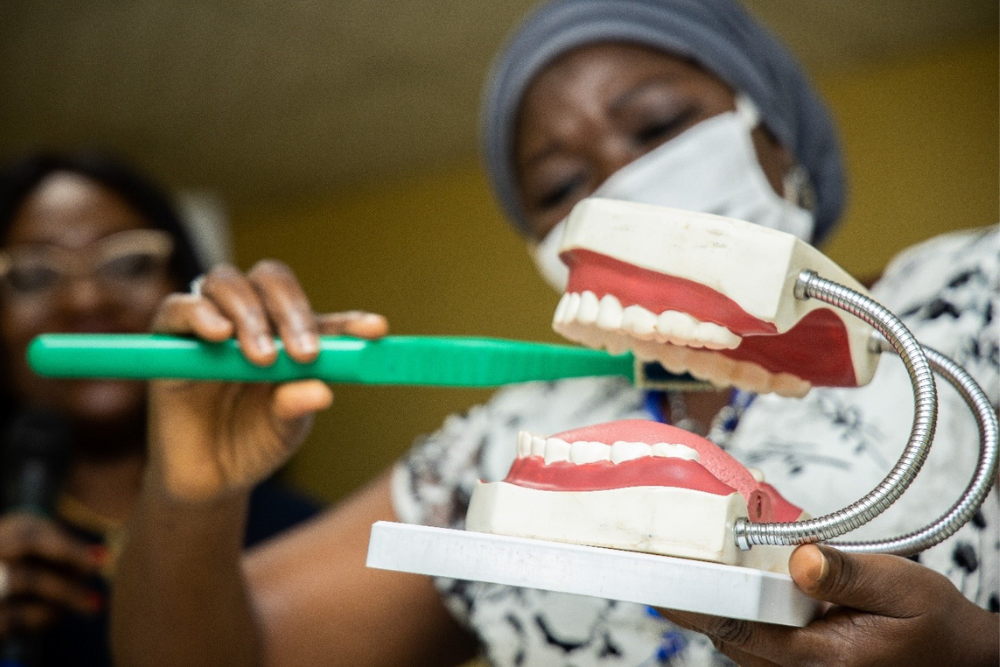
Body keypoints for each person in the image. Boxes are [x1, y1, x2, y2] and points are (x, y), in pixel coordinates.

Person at [111, 1, 999, 666]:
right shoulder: (511, 442)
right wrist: (191, 493)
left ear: (779, 137)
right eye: (561, 182)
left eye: (658, 125)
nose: (622, 188)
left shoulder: (979, 291)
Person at [0, 152, 324, 667]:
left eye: (127, 262)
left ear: (182, 283)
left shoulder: (305, 534)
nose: (85, 300)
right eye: (35, 275)